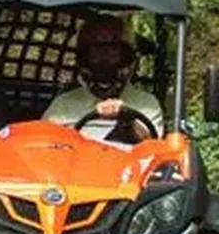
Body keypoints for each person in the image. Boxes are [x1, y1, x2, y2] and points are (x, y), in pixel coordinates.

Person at [43, 14, 164, 144]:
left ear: (125, 55)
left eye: (112, 50)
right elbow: (42, 145)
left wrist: (128, 121)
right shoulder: (63, 105)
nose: (104, 58)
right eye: (97, 50)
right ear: (85, 56)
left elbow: (153, 145)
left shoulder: (146, 104)